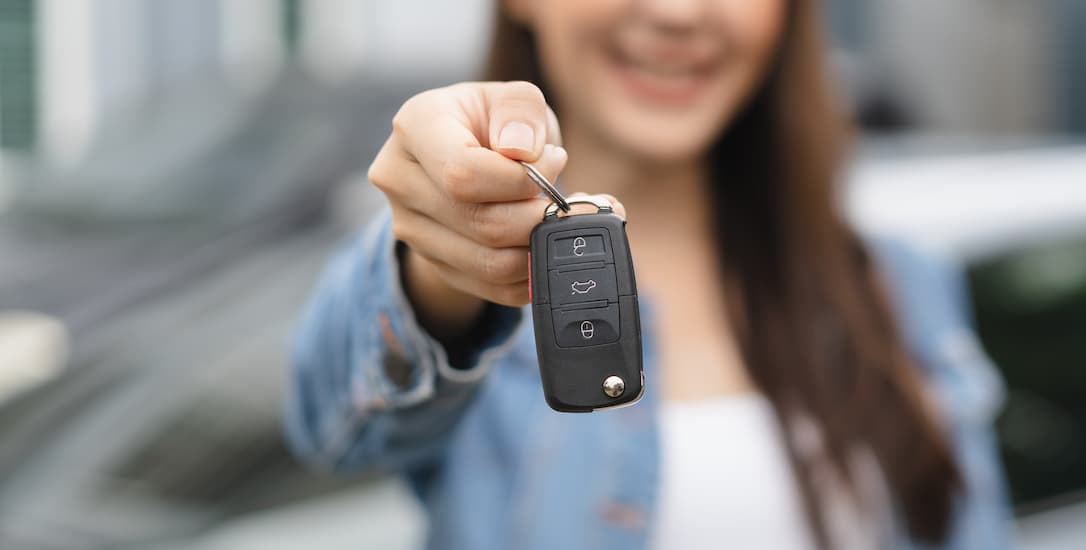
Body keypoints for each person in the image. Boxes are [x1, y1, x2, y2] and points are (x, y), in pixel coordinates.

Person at [284, 0, 1011, 548]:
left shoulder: (900, 282)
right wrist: (442, 265)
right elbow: (330, 425)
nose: (678, 12)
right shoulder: (461, 286)